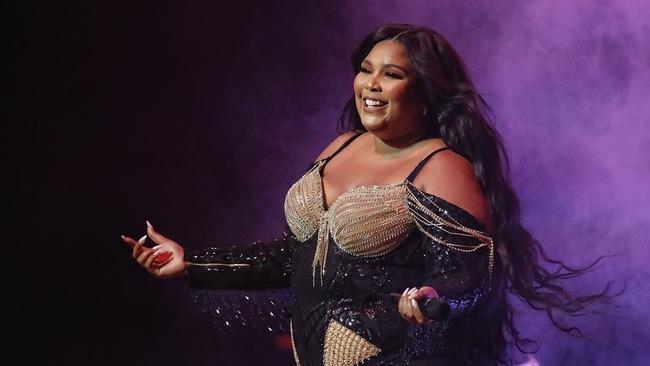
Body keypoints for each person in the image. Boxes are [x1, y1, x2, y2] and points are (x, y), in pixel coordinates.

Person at [122, 24, 611, 365]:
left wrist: (433, 296)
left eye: (392, 75)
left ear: (425, 94)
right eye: (366, 69)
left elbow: (470, 275)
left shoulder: (441, 167)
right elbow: (297, 256)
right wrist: (192, 262)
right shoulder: (340, 147)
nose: (371, 85)